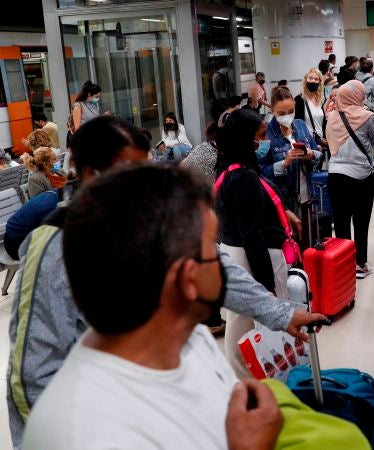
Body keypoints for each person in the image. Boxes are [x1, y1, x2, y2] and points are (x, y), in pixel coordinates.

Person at [6, 115, 325, 448]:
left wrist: (279, 312)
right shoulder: (54, 244)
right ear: (90, 174)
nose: (142, 186)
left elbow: (216, 265)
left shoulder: (190, 337)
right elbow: (32, 370)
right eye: (130, 173)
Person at [215, 108, 309, 379]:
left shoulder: (230, 169)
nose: (264, 141)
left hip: (236, 252)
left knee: (240, 320)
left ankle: (243, 377)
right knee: (262, 321)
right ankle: (271, 378)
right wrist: (266, 283)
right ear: (247, 138)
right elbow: (252, 234)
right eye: (261, 136)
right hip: (254, 256)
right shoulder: (244, 177)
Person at [324, 80, 374, 278]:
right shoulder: (367, 116)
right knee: (361, 222)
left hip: (335, 176)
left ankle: (344, 265)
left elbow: (329, 140)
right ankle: (360, 263)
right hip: (360, 177)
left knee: (340, 223)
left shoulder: (331, 116)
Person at [262, 86, 322, 214]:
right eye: (281, 114)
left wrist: (310, 154)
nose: (287, 116)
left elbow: (317, 152)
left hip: (308, 194)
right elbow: (261, 173)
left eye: (291, 111)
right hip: (284, 201)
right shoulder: (266, 135)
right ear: (272, 110)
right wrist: (284, 163)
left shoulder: (300, 125)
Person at [294, 67, 327, 148]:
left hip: (320, 142)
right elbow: (297, 124)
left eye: (316, 79)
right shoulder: (299, 100)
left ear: (320, 82)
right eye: (310, 78)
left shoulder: (322, 100)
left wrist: (325, 137)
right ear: (306, 80)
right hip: (306, 143)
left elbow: (324, 123)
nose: (313, 81)